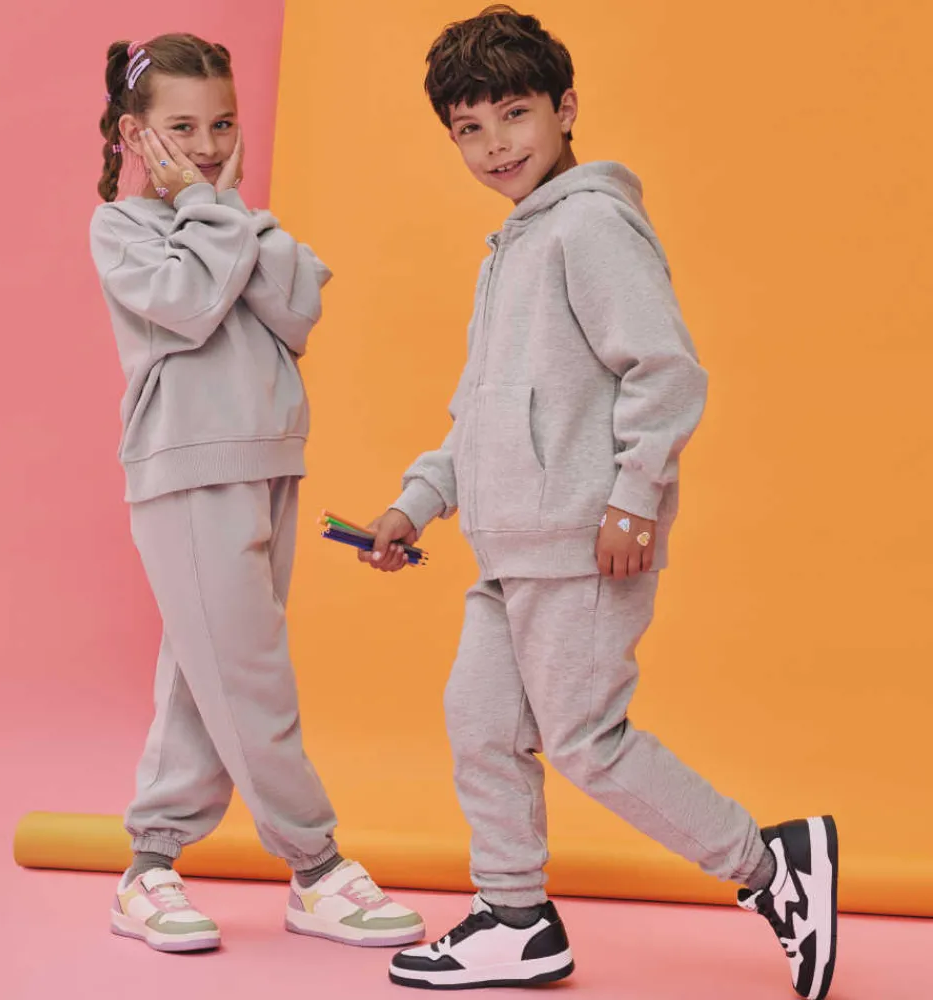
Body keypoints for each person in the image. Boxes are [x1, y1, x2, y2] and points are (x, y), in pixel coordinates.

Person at [358, 8, 837, 997]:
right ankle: (515, 918)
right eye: (469, 129)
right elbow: (482, 411)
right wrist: (417, 501)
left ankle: (769, 864)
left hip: (580, 540)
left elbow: (664, 370)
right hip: (510, 547)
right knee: (480, 722)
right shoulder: (513, 246)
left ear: (565, 107)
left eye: (514, 114)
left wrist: (632, 499)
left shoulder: (589, 224)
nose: (496, 145)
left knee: (584, 739)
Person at [89, 32, 424, 954]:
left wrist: (223, 211)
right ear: (134, 133)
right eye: (183, 127)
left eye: (224, 124)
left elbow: (297, 309)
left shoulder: (239, 220)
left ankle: (149, 868)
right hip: (189, 468)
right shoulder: (121, 230)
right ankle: (317, 865)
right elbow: (193, 305)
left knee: (206, 674)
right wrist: (214, 209)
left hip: (271, 462)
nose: (208, 145)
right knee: (249, 676)